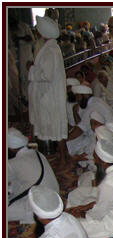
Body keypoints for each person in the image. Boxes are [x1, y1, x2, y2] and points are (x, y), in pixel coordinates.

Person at [67, 140, 113, 238]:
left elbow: (99, 213)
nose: (93, 158)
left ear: (103, 161)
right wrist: (88, 206)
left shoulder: (108, 184)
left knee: (73, 226)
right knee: (77, 194)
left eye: (95, 156)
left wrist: (83, 213)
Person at [28, 15, 68, 168]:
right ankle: (60, 156)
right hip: (49, 95)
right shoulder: (50, 47)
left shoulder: (51, 50)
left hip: (50, 96)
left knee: (57, 128)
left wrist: (31, 69)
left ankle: (63, 158)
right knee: (55, 127)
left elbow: (46, 75)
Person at [8, 128, 59, 224]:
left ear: (11, 148)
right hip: (54, 197)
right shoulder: (37, 153)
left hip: (41, 207)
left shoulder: (12, 163)